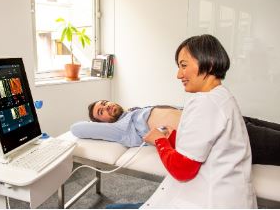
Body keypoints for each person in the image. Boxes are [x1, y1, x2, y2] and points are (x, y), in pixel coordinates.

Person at [141, 34, 257, 208]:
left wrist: (159, 140)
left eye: (183, 65)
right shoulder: (222, 95)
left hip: (211, 201)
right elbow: (204, 145)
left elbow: (182, 169)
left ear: (208, 63)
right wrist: (173, 137)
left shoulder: (205, 102)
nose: (179, 75)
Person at [72, 100, 280, 165]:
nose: (106, 107)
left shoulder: (133, 112)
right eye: (101, 111)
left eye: (105, 102)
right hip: (220, 136)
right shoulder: (119, 130)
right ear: (102, 123)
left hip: (222, 118)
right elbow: (77, 128)